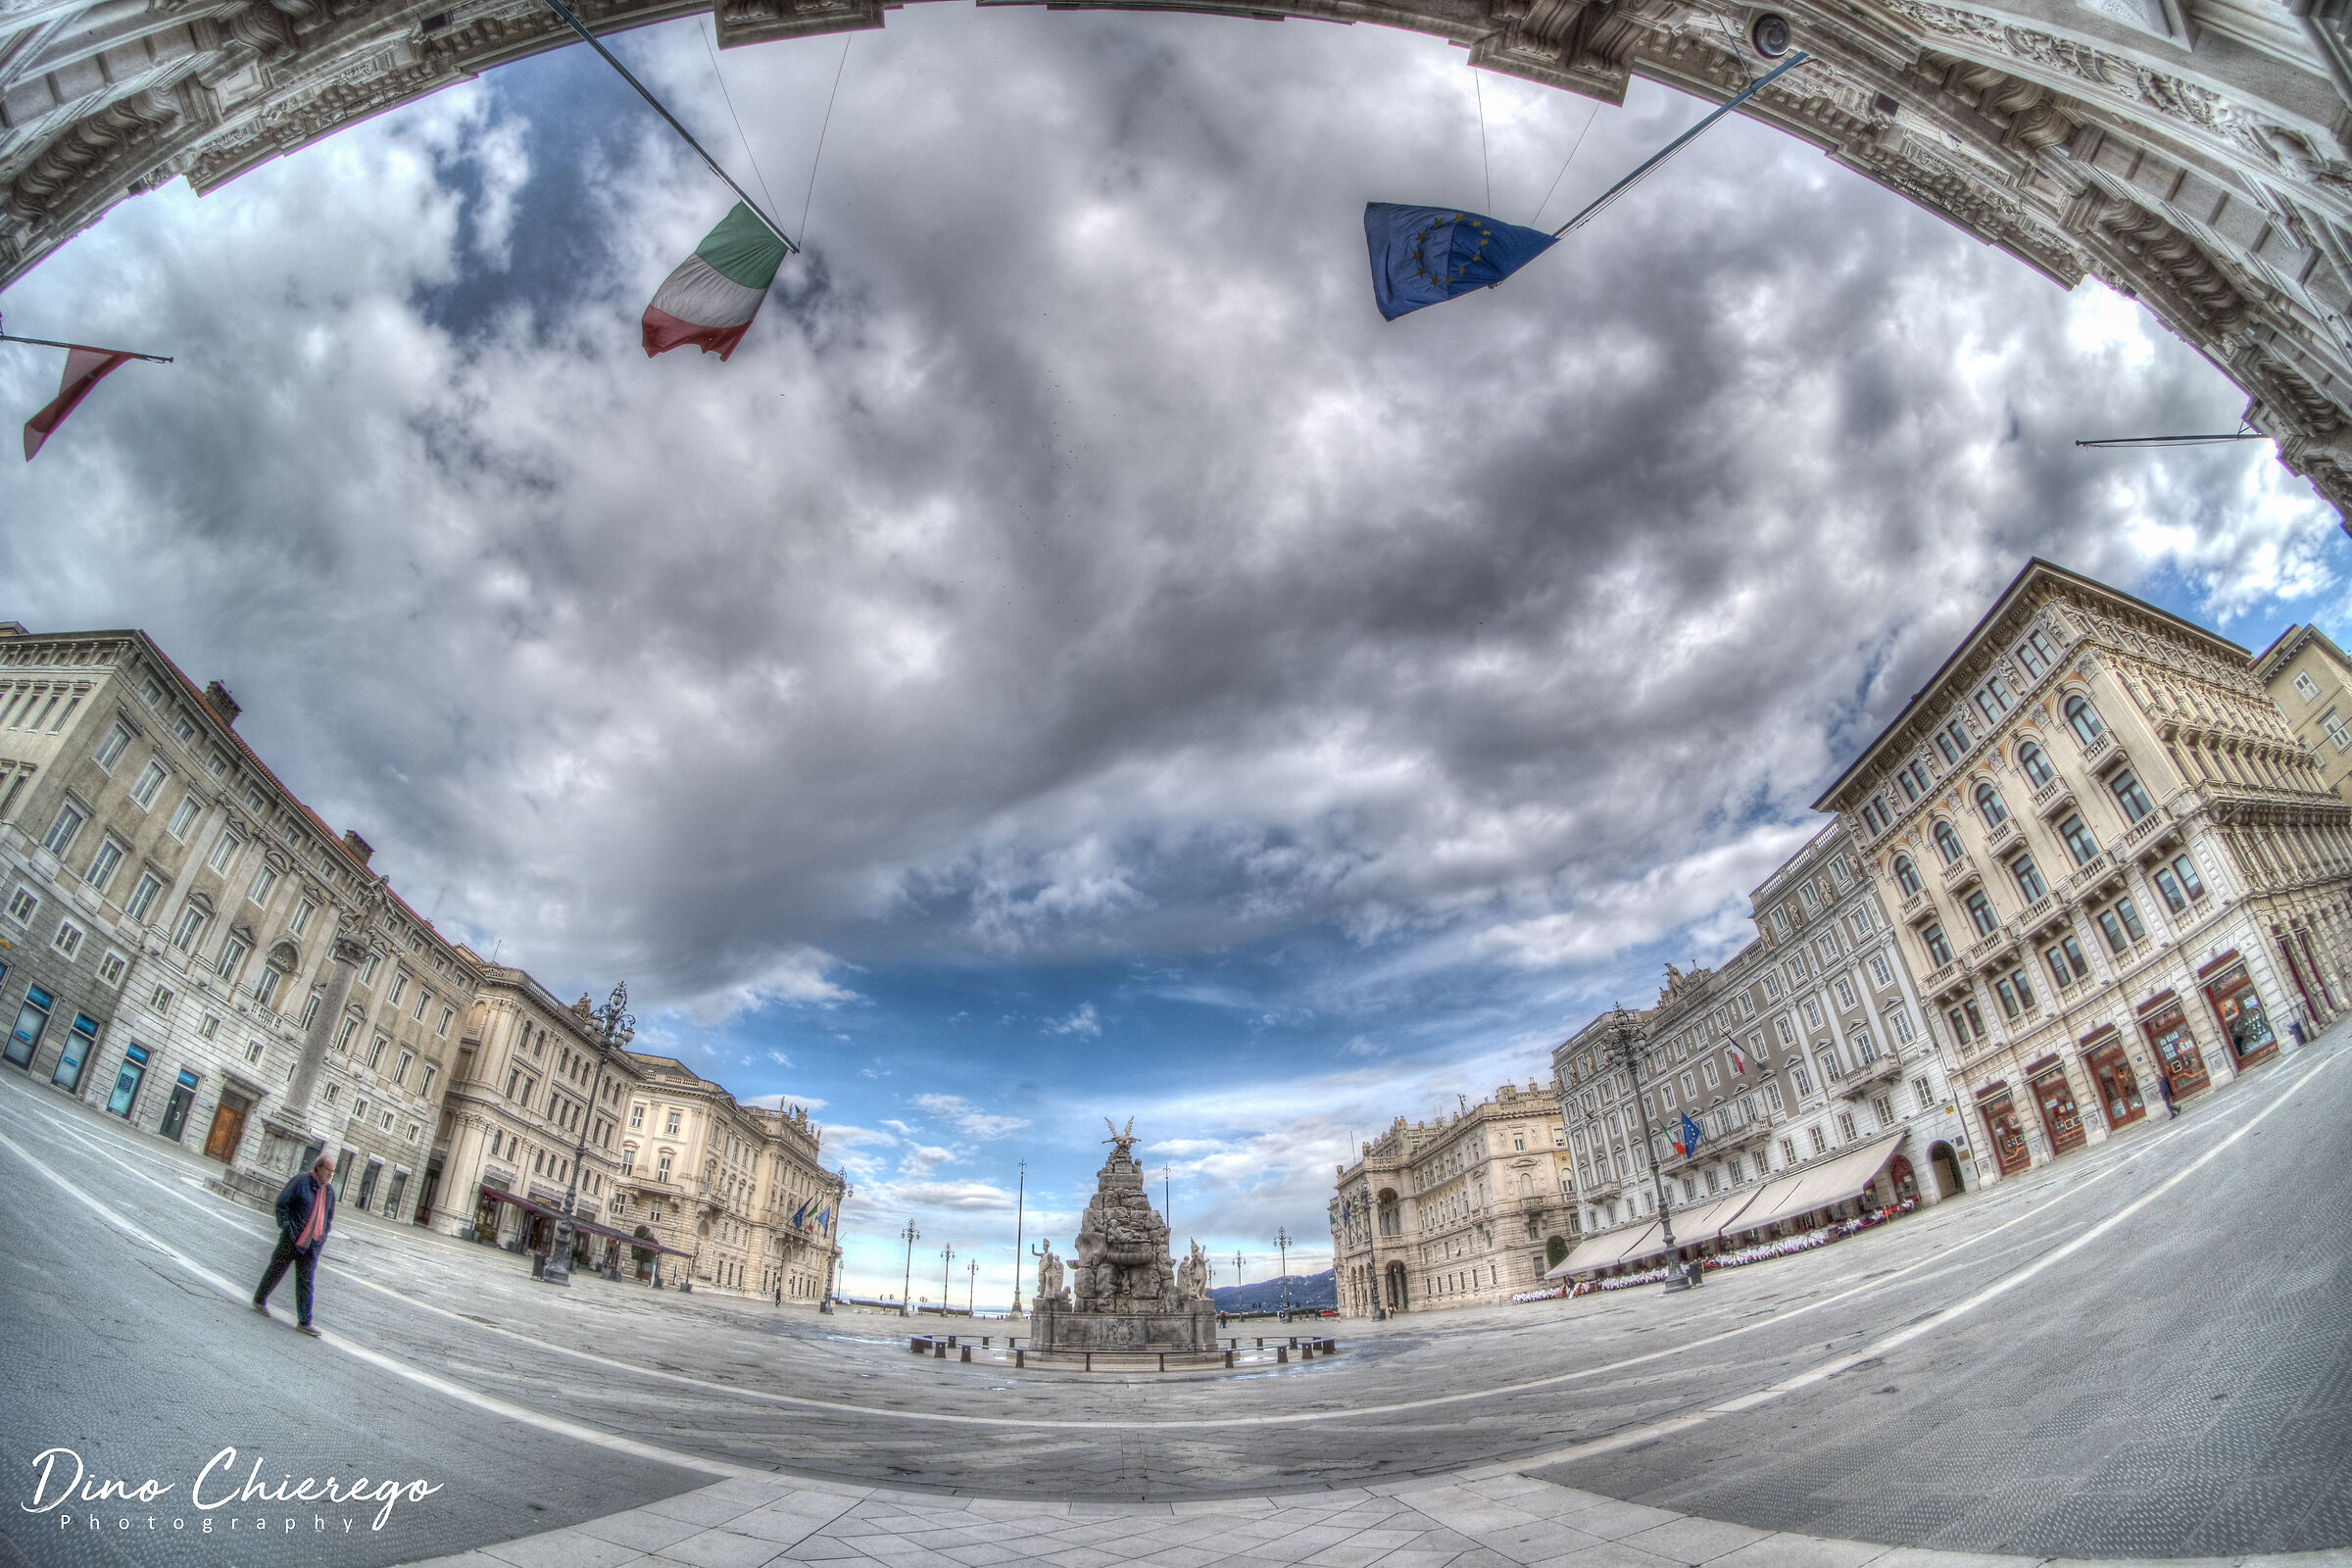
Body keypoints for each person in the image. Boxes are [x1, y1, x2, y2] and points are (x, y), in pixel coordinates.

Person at [254, 1154, 335, 1336]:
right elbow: (282, 1204)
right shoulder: (301, 1181)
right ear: (318, 1168)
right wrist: (287, 1227)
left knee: (306, 1282)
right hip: (293, 1238)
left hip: (311, 1245)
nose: (330, 1174)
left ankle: (305, 1322)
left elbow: (329, 1218)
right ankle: (259, 1300)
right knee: (276, 1269)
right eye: (328, 1169)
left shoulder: (329, 1192)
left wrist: (322, 1236)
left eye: (332, 1171)